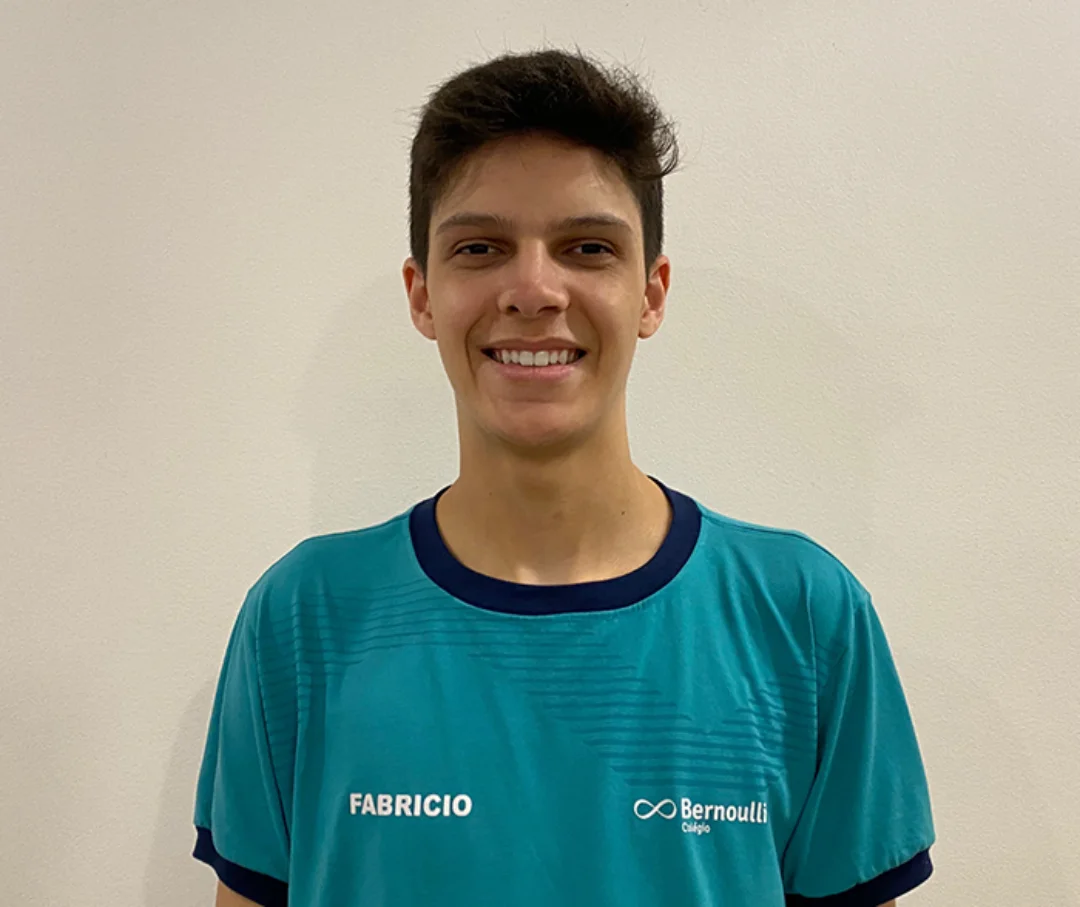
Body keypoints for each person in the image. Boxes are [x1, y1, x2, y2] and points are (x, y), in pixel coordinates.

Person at [192, 47, 936, 907]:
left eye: (587, 247)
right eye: (480, 247)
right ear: (422, 294)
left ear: (651, 292)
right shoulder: (302, 618)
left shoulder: (800, 614)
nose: (534, 289)